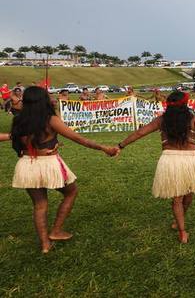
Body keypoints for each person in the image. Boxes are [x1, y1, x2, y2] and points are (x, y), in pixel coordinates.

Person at [117, 91, 195, 243]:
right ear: (185, 104)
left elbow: (140, 132)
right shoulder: (193, 119)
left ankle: (181, 230)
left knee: (178, 198)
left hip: (170, 160)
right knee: (187, 195)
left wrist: (120, 146)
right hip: (191, 160)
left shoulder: (162, 120)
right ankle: (181, 229)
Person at [9, 86, 119, 253]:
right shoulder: (50, 119)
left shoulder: (18, 120)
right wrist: (104, 148)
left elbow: (18, 142)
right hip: (48, 163)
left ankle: (45, 244)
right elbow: (78, 138)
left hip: (26, 164)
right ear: (43, 100)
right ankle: (56, 230)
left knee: (40, 205)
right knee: (71, 191)